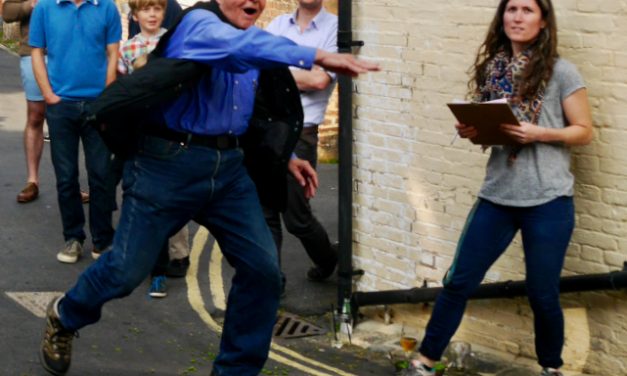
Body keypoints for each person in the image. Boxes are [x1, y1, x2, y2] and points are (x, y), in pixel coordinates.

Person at [37, 0, 379, 375]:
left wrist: (285, 157)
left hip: (229, 172)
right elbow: (240, 49)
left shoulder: (251, 38)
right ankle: (65, 315)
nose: (253, 1)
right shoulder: (200, 23)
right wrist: (320, 56)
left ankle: (235, 370)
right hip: (166, 165)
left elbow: (243, 116)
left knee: (263, 271)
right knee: (125, 271)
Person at [404, 1, 593, 376]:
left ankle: (551, 369)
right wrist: (473, 130)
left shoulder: (561, 72)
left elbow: (584, 131)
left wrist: (541, 133)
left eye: (527, 10)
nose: (517, 17)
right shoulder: (494, 69)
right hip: (497, 197)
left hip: (548, 201)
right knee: (458, 282)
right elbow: (494, 131)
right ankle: (424, 362)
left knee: (542, 294)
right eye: (511, 9)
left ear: (543, 21)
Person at [29, 0, 121, 263]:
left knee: (102, 175)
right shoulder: (45, 7)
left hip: (97, 105)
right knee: (66, 177)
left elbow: (113, 52)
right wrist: (48, 94)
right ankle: (73, 238)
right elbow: (37, 51)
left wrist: (106, 98)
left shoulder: (106, 7)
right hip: (61, 106)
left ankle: (103, 241)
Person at [117, 0, 189, 298]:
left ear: (164, 12)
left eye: (157, 9)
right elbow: (122, 86)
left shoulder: (173, 42)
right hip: (140, 129)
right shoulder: (128, 49)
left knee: (168, 196)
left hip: (171, 128)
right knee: (140, 192)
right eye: (145, 10)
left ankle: (168, 262)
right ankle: (139, 257)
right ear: (135, 16)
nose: (151, 15)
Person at [264, 0, 338, 290]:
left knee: (296, 217)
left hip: (302, 133)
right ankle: (273, 282)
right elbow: (257, 72)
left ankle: (328, 259)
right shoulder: (277, 25)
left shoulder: (333, 28)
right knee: (266, 212)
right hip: (268, 129)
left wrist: (277, 74)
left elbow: (320, 80)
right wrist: (298, 75)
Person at [3, 0, 46, 203]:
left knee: (67, 118)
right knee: (35, 116)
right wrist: (30, 5)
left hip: (66, 53)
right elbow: (7, 12)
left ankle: (71, 184)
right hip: (32, 52)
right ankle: (32, 181)